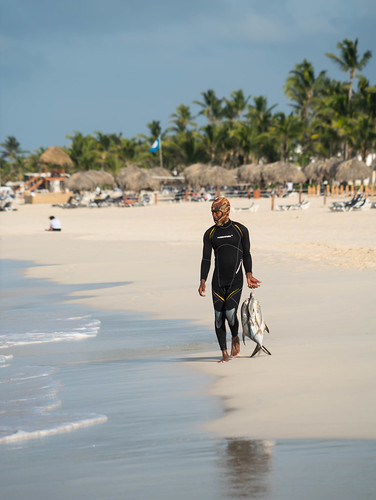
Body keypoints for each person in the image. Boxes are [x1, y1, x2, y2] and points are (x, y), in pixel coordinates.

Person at [198, 197, 261, 362]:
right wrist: (202, 279)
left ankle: (234, 336)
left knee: (230, 313)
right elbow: (206, 259)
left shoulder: (240, 230)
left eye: (217, 211)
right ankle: (224, 353)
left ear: (226, 210)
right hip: (217, 282)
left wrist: (249, 274)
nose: (214, 215)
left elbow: (246, 254)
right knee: (219, 317)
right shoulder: (210, 233)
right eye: (212, 212)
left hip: (235, 280)